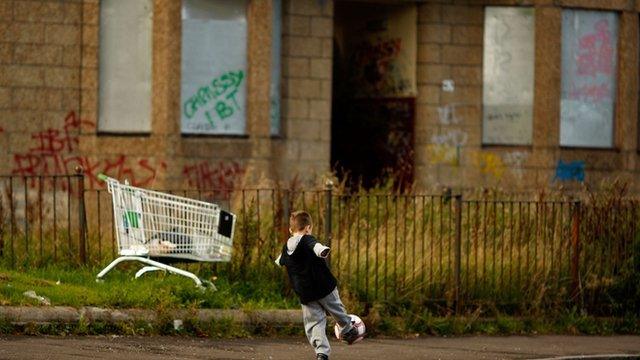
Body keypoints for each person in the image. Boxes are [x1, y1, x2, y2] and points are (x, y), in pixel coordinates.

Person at [274, 210, 363, 360]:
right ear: (308, 228)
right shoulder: (308, 239)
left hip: (305, 293)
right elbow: (316, 246)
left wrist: (278, 262)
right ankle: (348, 329)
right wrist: (323, 250)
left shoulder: (286, 247)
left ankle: (322, 353)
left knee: (314, 323)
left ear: (290, 230)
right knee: (336, 309)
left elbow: (280, 260)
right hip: (324, 287)